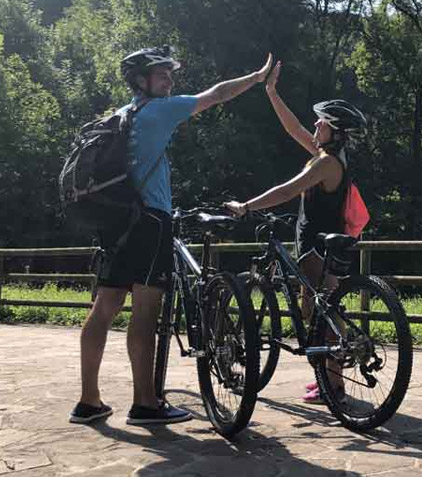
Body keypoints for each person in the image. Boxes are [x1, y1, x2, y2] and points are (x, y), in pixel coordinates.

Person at [69, 46, 275, 425]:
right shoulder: (159, 111)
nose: (170, 80)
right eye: (162, 74)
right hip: (149, 222)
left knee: (104, 308)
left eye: (169, 74)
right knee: (146, 313)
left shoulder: (119, 117)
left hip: (116, 223)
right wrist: (257, 77)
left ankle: (89, 400)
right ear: (141, 80)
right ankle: (146, 403)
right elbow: (216, 94)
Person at [224, 56, 367, 404]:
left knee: (321, 314)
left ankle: (333, 385)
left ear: (335, 132)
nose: (316, 124)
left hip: (318, 246)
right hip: (318, 243)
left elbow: (288, 190)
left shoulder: (325, 163)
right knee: (321, 311)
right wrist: (271, 92)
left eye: (323, 122)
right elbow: (293, 130)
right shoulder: (329, 156)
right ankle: (329, 381)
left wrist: (247, 206)